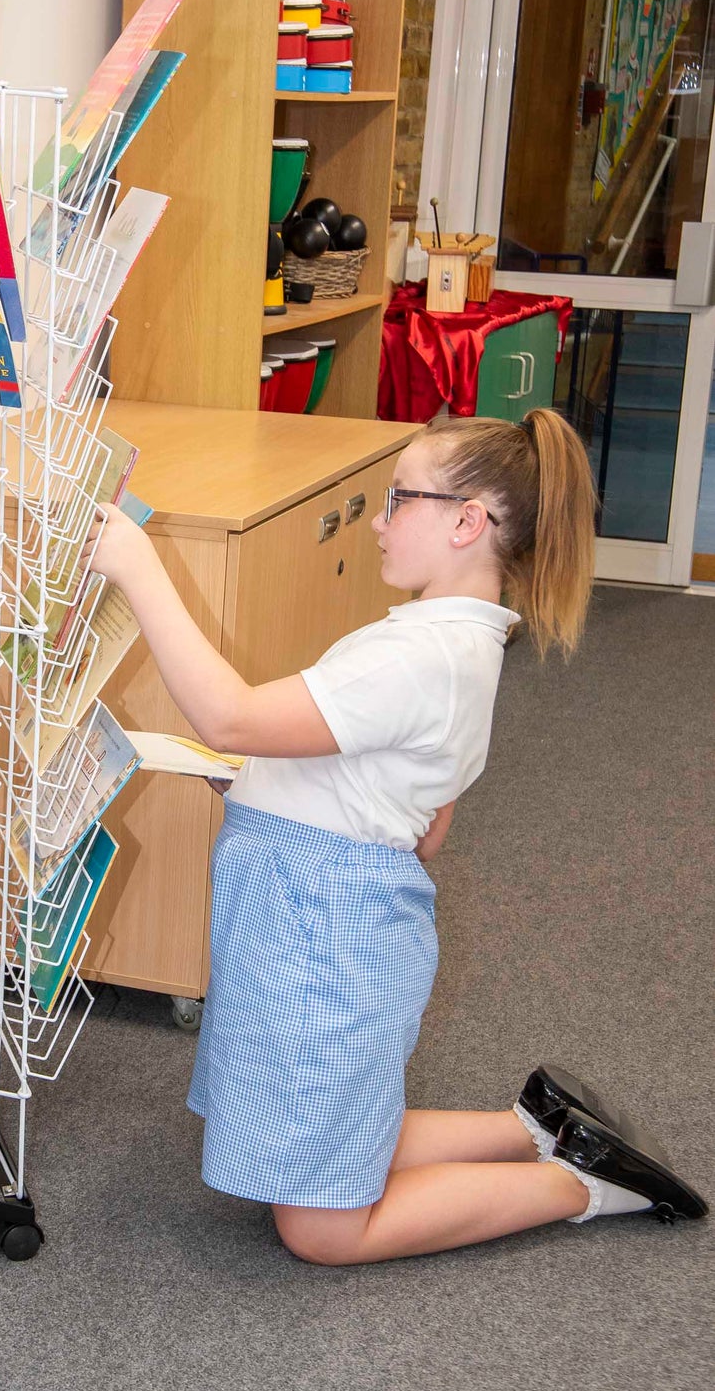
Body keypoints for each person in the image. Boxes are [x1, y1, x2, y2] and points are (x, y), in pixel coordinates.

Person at [87, 409, 706, 1264]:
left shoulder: (422, 657)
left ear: (466, 521)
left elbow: (231, 714)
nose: (378, 522)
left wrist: (138, 568)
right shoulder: (442, 640)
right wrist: (257, 781)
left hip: (323, 932)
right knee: (321, 1126)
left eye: (398, 498)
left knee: (320, 1229)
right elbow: (417, 816)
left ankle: (582, 1181)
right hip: (311, 915)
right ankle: (531, 1127)